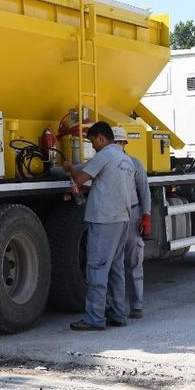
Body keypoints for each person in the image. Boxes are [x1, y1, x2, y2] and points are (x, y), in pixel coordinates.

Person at [62, 122, 137, 331]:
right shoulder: (125, 159)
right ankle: (118, 314)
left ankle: (94, 318)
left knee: (96, 268)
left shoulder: (104, 155)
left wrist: (69, 168)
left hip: (104, 220)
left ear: (102, 138)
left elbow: (81, 179)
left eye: (92, 140)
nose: (92, 146)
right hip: (122, 218)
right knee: (115, 269)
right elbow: (104, 186)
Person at [110, 127, 151, 319]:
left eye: (120, 142)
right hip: (114, 216)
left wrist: (146, 216)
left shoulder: (135, 164)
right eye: (115, 142)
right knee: (114, 263)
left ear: (125, 144)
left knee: (134, 261)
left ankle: (137, 306)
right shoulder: (107, 163)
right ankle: (115, 306)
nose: (118, 146)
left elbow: (145, 191)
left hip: (133, 214)